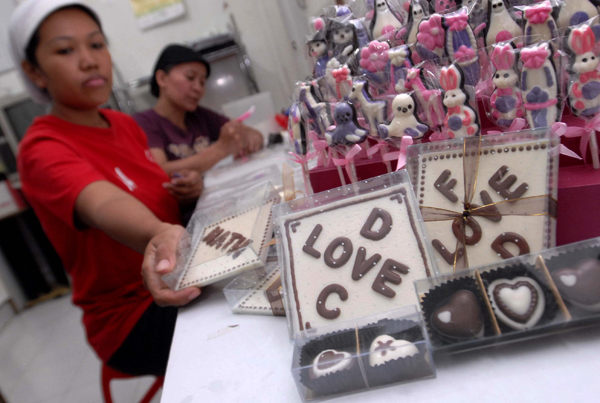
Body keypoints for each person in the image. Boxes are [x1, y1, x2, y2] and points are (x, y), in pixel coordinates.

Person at [10, 0, 197, 376]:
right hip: (131, 315)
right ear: (35, 72)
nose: (89, 60)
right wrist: (157, 231)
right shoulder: (41, 149)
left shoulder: (122, 124)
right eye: (65, 50)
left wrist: (186, 191)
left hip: (179, 271)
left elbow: (152, 188)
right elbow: (103, 201)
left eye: (96, 44)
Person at [133, 44, 265, 179]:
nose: (198, 88)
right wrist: (221, 149)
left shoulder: (200, 116)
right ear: (162, 78)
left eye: (202, 82)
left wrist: (251, 136)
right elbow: (159, 171)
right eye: (190, 77)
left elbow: (243, 132)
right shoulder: (144, 123)